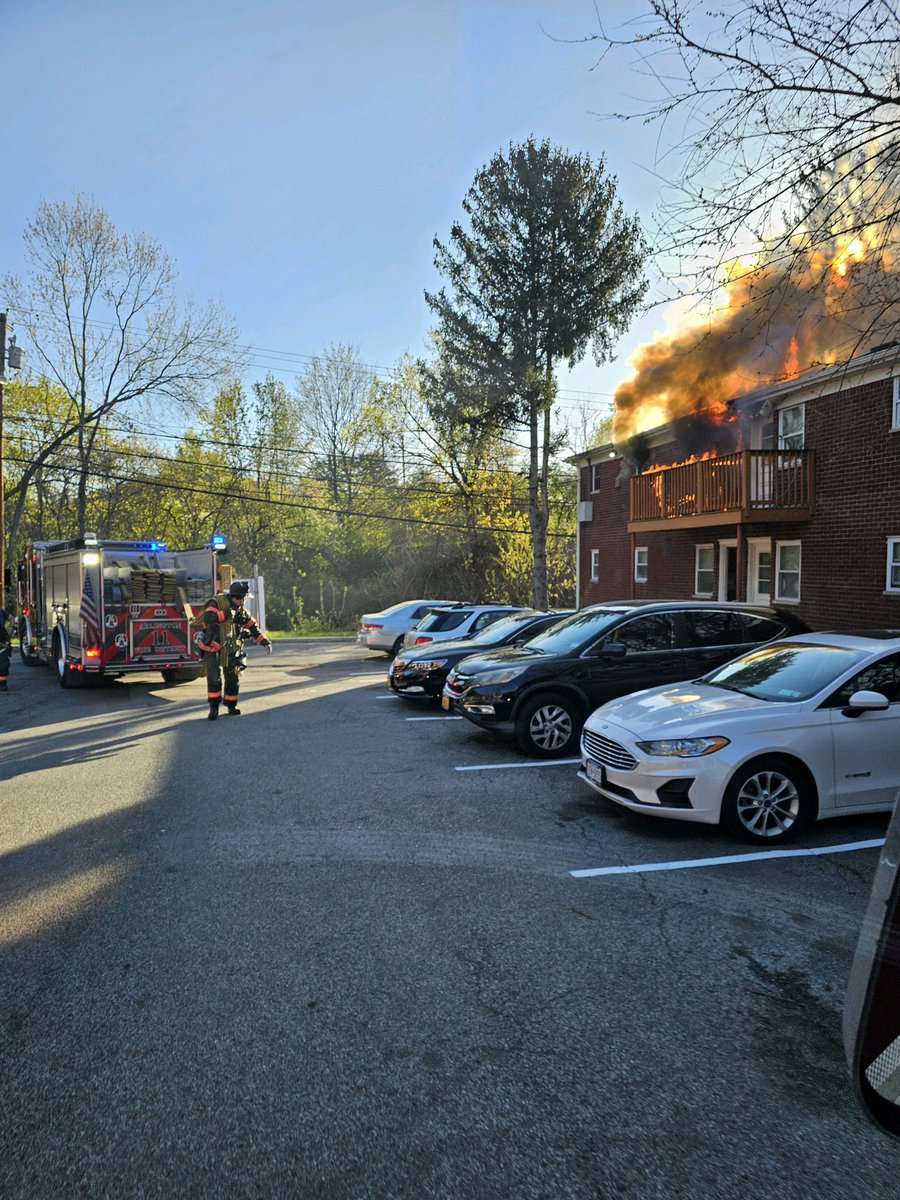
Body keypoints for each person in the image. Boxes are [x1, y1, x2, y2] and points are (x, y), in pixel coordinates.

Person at [196, 580, 271, 720]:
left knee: (232, 678)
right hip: (212, 647)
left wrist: (265, 642)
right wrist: (226, 614)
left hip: (231, 648)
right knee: (214, 677)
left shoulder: (241, 610)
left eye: (243, 599)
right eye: (239, 599)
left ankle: (231, 705)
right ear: (233, 597)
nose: (241, 602)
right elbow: (208, 618)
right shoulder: (217, 603)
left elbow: (253, 627)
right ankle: (214, 708)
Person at [0, 606, 11, 693]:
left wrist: (10, 629)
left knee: (3, 665)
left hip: (3, 643)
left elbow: (11, 618)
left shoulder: (2, 613)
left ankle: (3, 684)